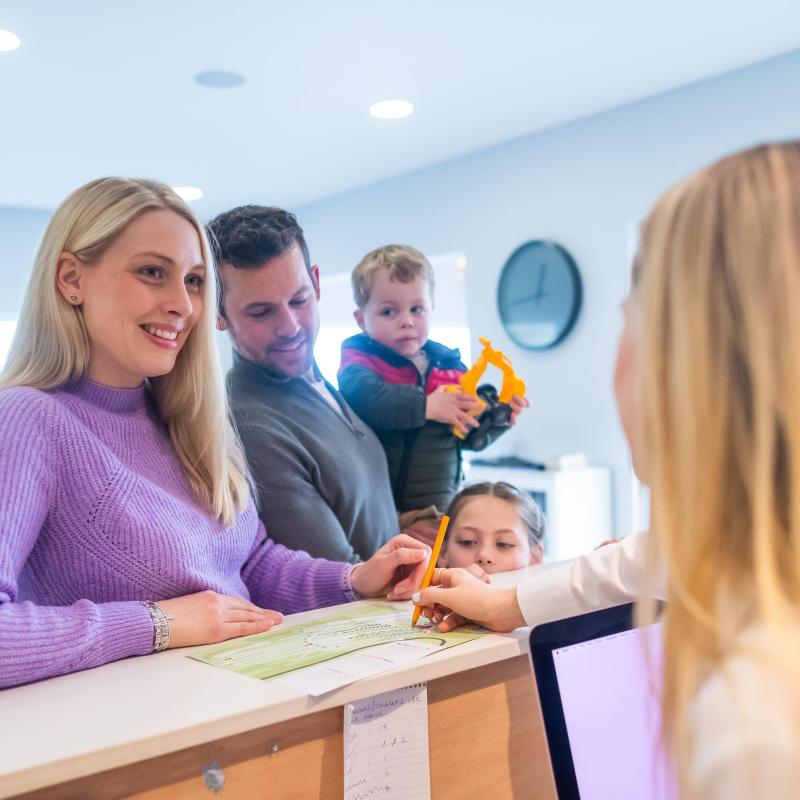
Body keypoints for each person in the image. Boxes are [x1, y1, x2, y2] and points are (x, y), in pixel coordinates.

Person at [417, 141, 800, 797]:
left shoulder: (757, 720)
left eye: (632, 318)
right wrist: (507, 601)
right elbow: (653, 558)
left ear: (688, 364)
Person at [0, 178, 430, 690]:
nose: (182, 304)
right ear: (72, 278)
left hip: (240, 720)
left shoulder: (188, 417)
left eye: (195, 281)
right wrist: (158, 623)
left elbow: (251, 563)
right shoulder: (27, 418)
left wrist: (355, 581)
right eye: (153, 273)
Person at [206, 207, 400, 563]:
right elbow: (340, 579)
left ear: (316, 282)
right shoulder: (249, 426)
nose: (291, 326)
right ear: (218, 314)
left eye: (299, 300)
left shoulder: (327, 385)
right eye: (261, 312)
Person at [337, 244, 529, 532]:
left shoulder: (450, 366)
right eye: (389, 311)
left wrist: (499, 417)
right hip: (376, 507)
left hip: (437, 507)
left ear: (431, 309)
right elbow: (365, 397)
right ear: (361, 319)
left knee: (443, 568)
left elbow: (469, 436)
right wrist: (427, 406)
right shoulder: (359, 359)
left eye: (417, 309)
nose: (406, 321)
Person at [439, 482, 545, 574]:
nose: (484, 556)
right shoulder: (425, 596)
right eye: (467, 542)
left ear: (535, 557)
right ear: (443, 553)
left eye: (504, 544)